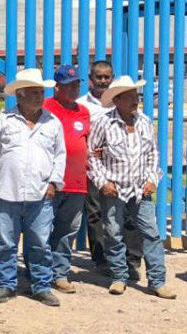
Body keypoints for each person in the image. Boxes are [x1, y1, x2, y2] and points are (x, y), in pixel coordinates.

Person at [88, 76, 175, 299]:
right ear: (117, 100)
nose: (134, 101)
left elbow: (152, 154)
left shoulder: (144, 121)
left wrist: (153, 179)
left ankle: (157, 280)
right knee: (114, 232)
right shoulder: (103, 122)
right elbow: (92, 155)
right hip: (114, 189)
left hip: (140, 189)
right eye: (128, 97)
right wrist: (102, 182)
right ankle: (119, 277)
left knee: (151, 233)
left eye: (135, 96)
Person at [0, 68, 65, 307]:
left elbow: (60, 154)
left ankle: (41, 285)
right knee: (6, 241)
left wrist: (54, 182)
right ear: (19, 95)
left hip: (41, 192)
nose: (39, 96)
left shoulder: (52, 122)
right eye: (33, 92)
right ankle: (6, 284)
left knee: (40, 242)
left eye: (40, 92)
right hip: (8, 191)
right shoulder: (5, 119)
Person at [79, 60, 141, 278]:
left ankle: (131, 260)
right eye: (99, 77)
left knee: (129, 214)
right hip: (95, 168)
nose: (103, 81)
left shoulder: (123, 101)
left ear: (112, 77)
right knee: (96, 213)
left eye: (107, 77)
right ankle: (102, 259)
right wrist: (88, 152)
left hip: (124, 168)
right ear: (90, 79)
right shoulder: (82, 105)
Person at [43, 65, 91, 294]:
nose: (74, 89)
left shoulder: (83, 112)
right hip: (50, 181)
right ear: (57, 87)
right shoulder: (45, 108)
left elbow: (86, 141)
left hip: (77, 182)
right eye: (69, 85)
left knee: (67, 230)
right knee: (41, 229)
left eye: (77, 85)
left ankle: (59, 273)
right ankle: (40, 271)